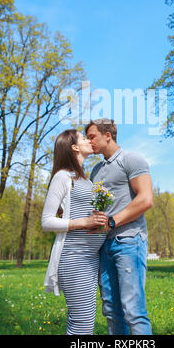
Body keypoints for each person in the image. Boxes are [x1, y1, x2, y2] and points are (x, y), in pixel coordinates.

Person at [85, 118, 153, 335]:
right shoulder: (95, 170)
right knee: (111, 310)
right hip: (104, 246)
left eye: (92, 136)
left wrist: (112, 222)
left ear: (108, 135)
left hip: (129, 240)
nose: (89, 141)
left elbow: (145, 200)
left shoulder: (131, 159)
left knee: (133, 310)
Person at [41, 129, 107, 335]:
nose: (90, 140)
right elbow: (47, 221)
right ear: (74, 147)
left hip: (91, 258)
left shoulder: (86, 180)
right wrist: (85, 222)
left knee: (83, 321)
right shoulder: (63, 176)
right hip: (74, 257)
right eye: (84, 138)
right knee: (82, 324)